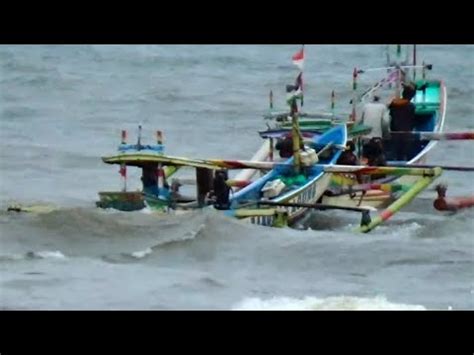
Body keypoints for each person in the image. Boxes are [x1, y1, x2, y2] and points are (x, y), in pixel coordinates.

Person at [388, 83, 417, 161]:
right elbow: (412, 120)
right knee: (404, 152)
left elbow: (391, 114)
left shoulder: (393, 104)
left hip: (394, 131)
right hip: (406, 133)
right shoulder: (411, 106)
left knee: (395, 152)